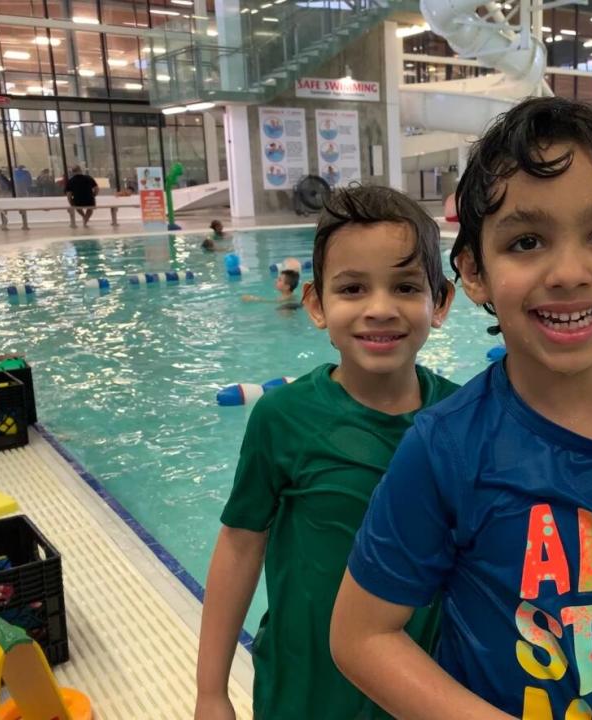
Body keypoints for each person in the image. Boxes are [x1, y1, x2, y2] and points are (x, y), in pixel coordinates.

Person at [331, 97, 592, 719]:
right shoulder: (448, 447)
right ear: (473, 273)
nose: (569, 272)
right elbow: (361, 636)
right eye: (527, 241)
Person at [195, 185, 457, 720]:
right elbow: (241, 546)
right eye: (354, 288)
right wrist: (211, 691)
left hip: (421, 693)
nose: (380, 309)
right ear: (316, 305)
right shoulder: (284, 419)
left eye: (406, 287)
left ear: (442, 302)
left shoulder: (461, 419)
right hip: (304, 692)